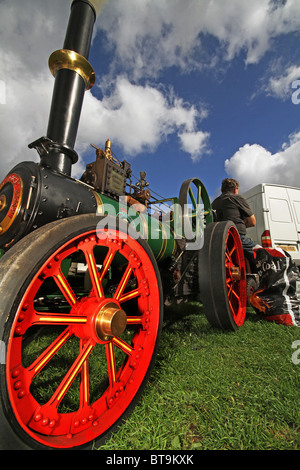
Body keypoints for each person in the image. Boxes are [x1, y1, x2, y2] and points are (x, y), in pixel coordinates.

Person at [212, 178, 257, 271]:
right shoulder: (237, 198)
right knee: (262, 252)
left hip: (219, 239)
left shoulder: (214, 203)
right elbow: (253, 222)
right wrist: (244, 222)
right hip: (237, 237)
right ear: (235, 189)